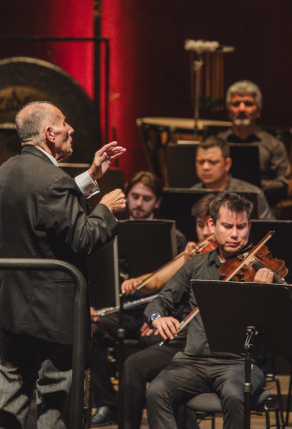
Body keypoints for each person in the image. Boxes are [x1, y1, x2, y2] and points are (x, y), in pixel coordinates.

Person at [0, 101, 126, 428]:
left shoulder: (6, 171)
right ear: (49, 133)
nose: (71, 129)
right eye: (65, 123)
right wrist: (105, 208)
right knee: (57, 399)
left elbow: (44, 209)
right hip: (53, 315)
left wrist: (91, 177)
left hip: (12, 307)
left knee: (9, 394)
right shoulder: (52, 179)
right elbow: (82, 239)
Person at [144, 192, 276, 429]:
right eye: (227, 226)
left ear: (249, 226)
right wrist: (158, 318)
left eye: (241, 226)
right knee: (156, 391)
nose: (235, 234)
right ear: (213, 225)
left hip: (240, 364)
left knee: (235, 394)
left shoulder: (262, 270)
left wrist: (267, 293)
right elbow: (160, 301)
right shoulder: (196, 265)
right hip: (192, 361)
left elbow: (281, 326)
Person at [90, 171, 188, 427]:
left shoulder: (175, 238)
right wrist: (98, 305)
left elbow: (180, 287)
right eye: (134, 196)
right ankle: (107, 403)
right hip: (125, 309)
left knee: (153, 343)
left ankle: (159, 407)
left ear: (156, 202)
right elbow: (102, 274)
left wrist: (159, 316)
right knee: (92, 329)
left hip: (160, 312)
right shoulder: (112, 230)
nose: (139, 203)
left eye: (146, 198)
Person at [120, 194, 217, 429]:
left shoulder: (228, 259)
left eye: (212, 224)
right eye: (200, 225)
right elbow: (159, 282)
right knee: (132, 365)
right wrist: (140, 287)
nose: (205, 232)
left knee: (169, 377)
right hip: (183, 338)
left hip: (212, 345)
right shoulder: (193, 258)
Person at [217, 80, 290, 206]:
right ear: (229, 111)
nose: (241, 109)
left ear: (258, 111)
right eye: (236, 104)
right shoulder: (218, 143)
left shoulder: (274, 145)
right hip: (222, 207)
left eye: (248, 104)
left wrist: (249, 185)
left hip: (263, 208)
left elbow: (283, 184)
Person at [191, 136, 273, 219]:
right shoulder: (190, 194)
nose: (205, 167)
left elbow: (268, 229)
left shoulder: (253, 194)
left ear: (227, 164)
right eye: (200, 162)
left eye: (213, 162)